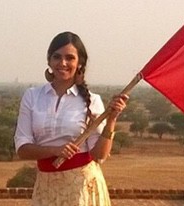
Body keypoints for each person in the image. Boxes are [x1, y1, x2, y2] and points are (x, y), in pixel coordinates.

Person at [14, 31, 128, 206]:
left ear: (80, 62)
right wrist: (55, 150)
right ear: (49, 61)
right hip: (46, 186)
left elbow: (99, 155)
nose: (63, 63)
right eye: (57, 57)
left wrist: (111, 120)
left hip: (83, 187)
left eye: (70, 58)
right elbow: (22, 149)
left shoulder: (92, 100)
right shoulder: (33, 96)